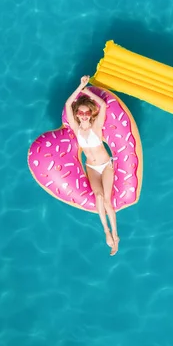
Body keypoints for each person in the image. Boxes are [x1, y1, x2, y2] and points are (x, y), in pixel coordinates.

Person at [65, 75, 119, 255]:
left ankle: (116, 237)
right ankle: (106, 231)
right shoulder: (76, 128)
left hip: (105, 165)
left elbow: (103, 106)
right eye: (80, 113)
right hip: (91, 167)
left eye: (86, 113)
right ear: (77, 116)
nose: (83, 116)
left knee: (106, 200)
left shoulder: (97, 126)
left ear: (90, 113)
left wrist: (86, 90)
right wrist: (78, 87)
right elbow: (67, 105)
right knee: (97, 196)